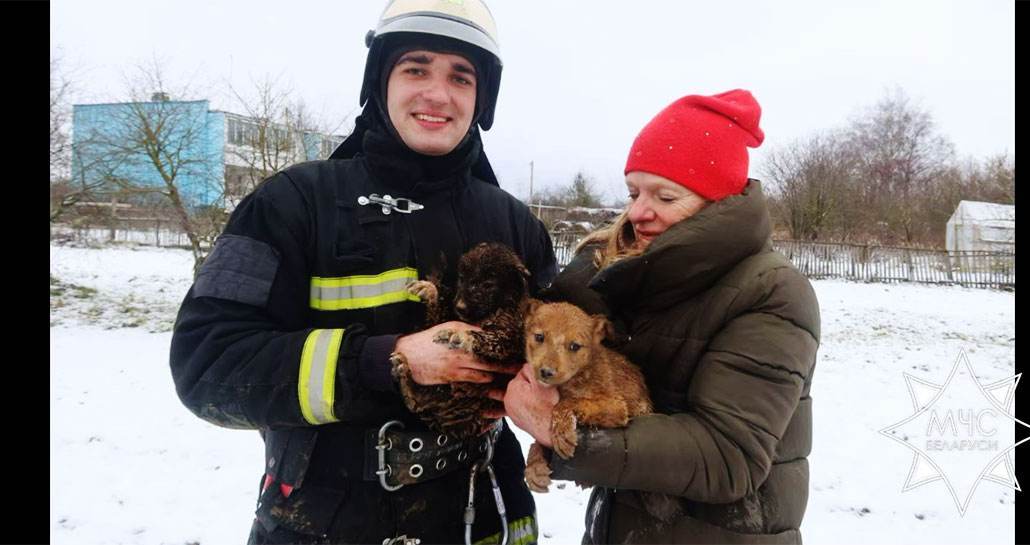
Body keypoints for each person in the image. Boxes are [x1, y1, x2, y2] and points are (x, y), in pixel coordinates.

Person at [169, 1, 556, 543]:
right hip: (324, 520)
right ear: (380, 81)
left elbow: (568, 353)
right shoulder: (291, 203)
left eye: (460, 77)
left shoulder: (516, 224)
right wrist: (390, 359)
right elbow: (207, 366)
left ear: (481, 97)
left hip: (483, 512)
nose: (438, 94)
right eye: (416, 68)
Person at [502, 89, 821, 543]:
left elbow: (729, 456)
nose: (637, 212)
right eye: (633, 192)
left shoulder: (772, 291)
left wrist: (567, 432)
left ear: (718, 200)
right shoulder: (636, 269)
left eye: (665, 196)